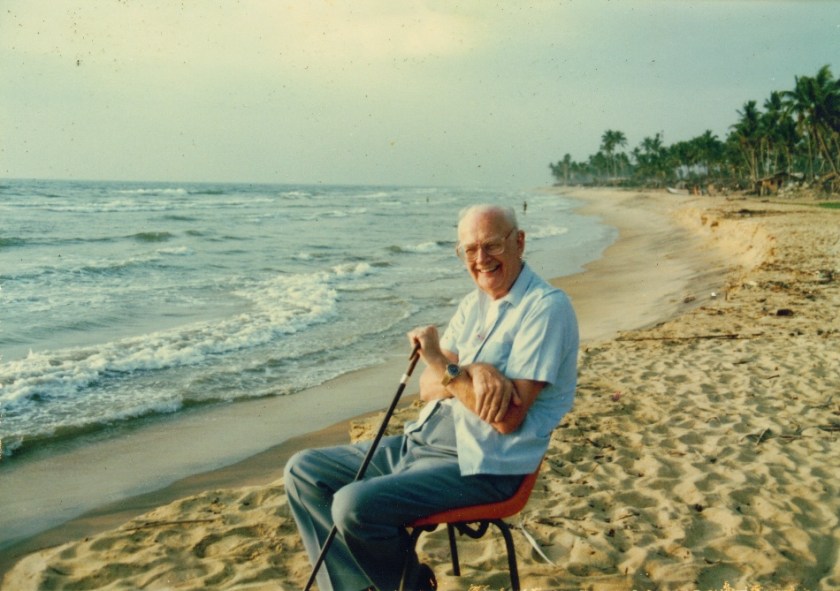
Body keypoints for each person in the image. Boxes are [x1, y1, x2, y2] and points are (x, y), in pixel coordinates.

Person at [285, 204, 579, 591]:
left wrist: (447, 363)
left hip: (484, 464)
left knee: (353, 506)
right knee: (304, 471)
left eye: (491, 245)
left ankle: (410, 586)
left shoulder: (545, 308)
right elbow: (426, 387)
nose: (480, 259)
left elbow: (506, 418)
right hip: (423, 441)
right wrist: (475, 370)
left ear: (519, 242)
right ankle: (361, 587)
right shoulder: (474, 304)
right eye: (469, 250)